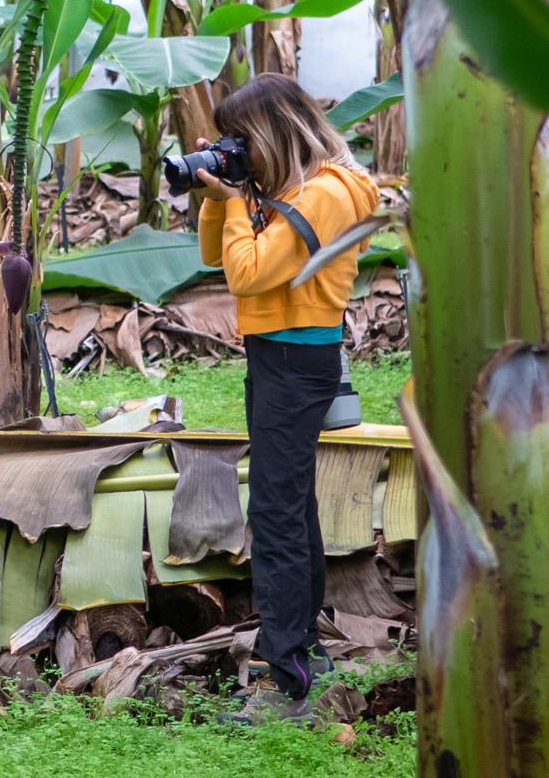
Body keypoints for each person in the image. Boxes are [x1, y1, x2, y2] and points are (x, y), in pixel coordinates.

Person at [187, 73, 379, 724]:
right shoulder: (295, 190)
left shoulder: (327, 192)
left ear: (272, 131)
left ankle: (284, 678)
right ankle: (305, 654)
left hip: (298, 360)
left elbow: (247, 273)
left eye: (242, 139)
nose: (238, 151)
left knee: (273, 515)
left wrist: (239, 196)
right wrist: (221, 197)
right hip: (276, 357)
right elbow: (218, 256)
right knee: (289, 506)